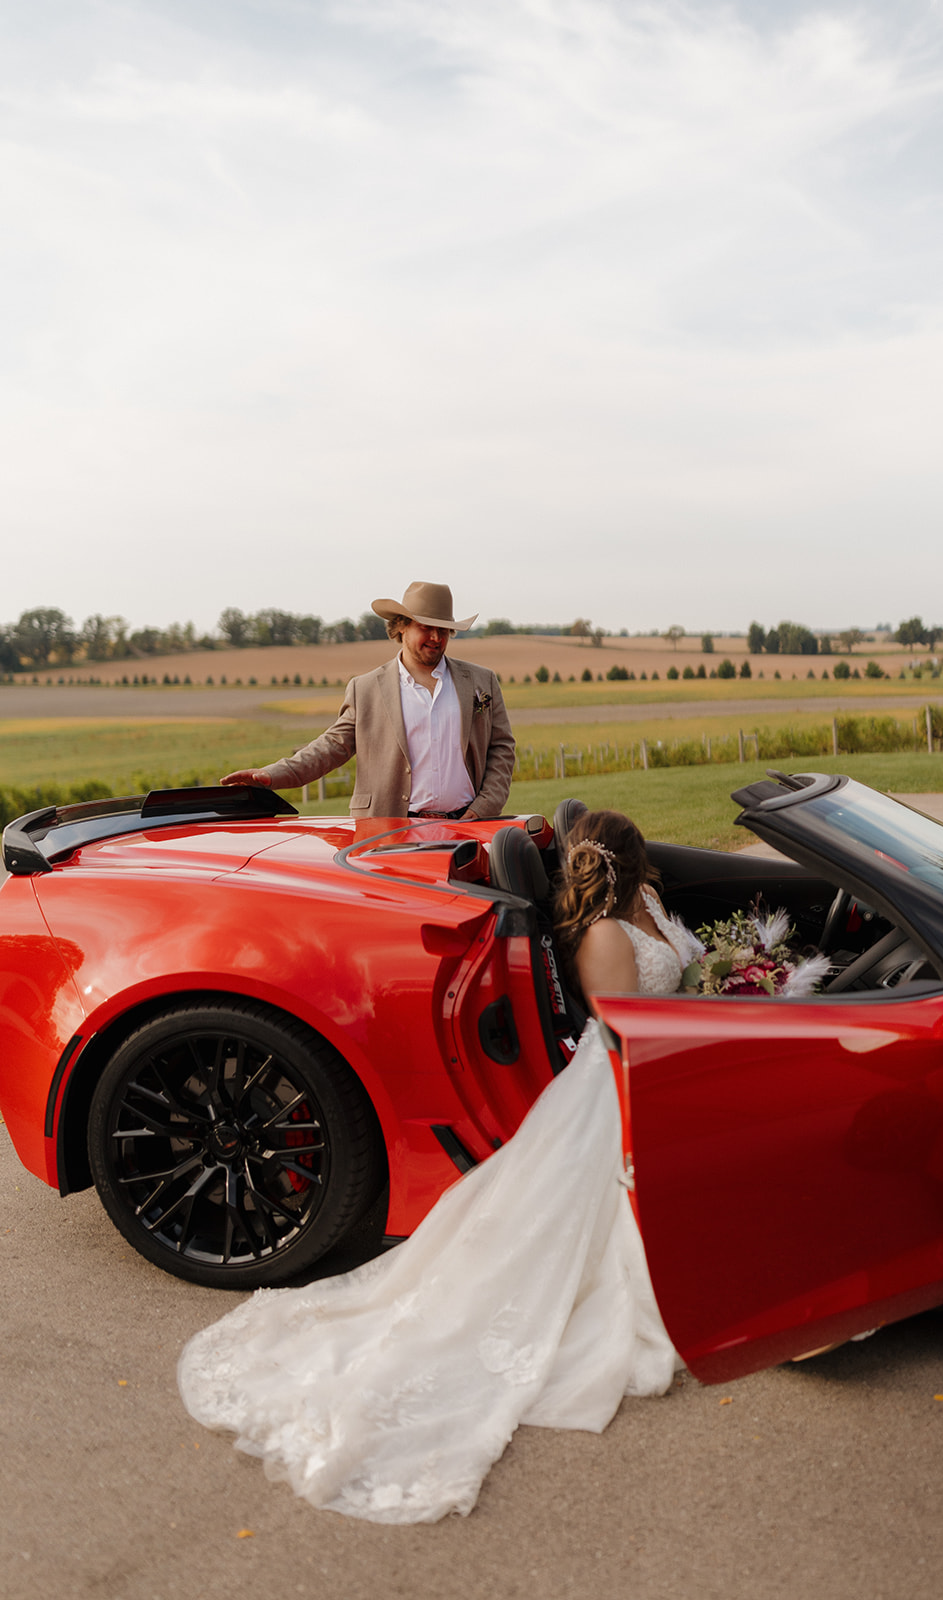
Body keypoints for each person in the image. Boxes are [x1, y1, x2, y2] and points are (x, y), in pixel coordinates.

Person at [177, 811, 705, 1524]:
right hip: (618, 1078)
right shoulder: (606, 937)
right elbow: (623, 1029)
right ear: (633, 861)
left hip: (675, 1057)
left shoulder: (649, 907)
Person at [220, 581, 515, 820]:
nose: (436, 637)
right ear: (401, 626)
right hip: (389, 829)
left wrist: (483, 807)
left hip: (468, 825)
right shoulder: (366, 688)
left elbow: (502, 748)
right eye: (425, 627)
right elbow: (331, 748)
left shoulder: (481, 681)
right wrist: (271, 775)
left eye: (443, 629)